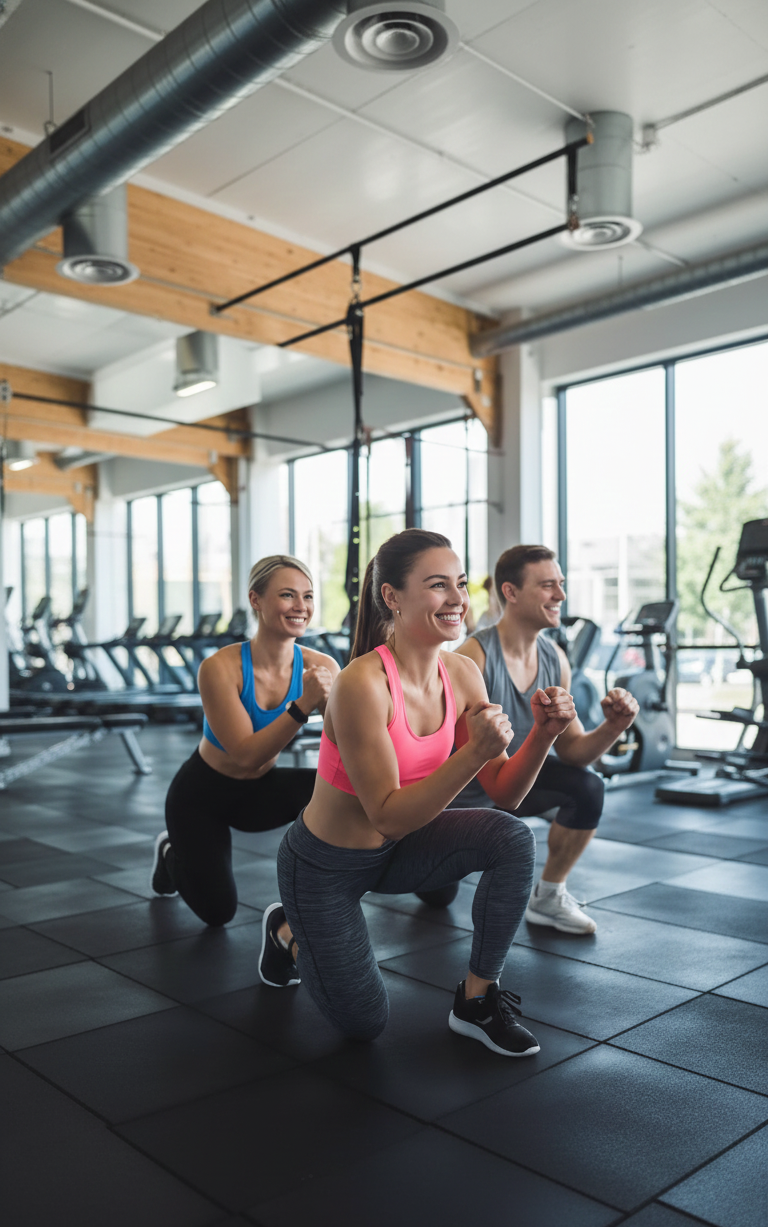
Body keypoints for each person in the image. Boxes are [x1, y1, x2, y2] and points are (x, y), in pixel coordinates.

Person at [259, 529, 576, 1056]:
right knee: (364, 1024)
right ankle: (287, 932)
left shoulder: (463, 673)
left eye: (459, 584)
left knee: (511, 837)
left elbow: (506, 793)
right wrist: (472, 752)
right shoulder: (364, 684)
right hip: (327, 865)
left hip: (403, 847)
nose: (457, 599)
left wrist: (544, 734)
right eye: (437, 585)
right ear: (392, 597)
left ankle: (476, 1000)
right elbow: (387, 816)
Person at [455, 544, 639, 935]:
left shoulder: (555, 657)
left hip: (517, 787)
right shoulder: (474, 656)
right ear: (510, 592)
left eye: (561, 584)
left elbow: (572, 751)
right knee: (436, 894)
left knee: (588, 787)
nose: (560, 595)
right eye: (547, 586)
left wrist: (613, 726)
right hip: (464, 801)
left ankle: (549, 896)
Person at [150, 554, 339, 930]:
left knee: (336, 792)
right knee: (219, 914)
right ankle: (172, 852)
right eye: (288, 595)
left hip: (261, 794)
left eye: (308, 596)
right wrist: (303, 704)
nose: (301, 606)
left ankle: (317, 899)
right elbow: (246, 756)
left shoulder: (322, 666)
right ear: (256, 600)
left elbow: (345, 743)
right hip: (202, 796)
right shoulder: (220, 668)